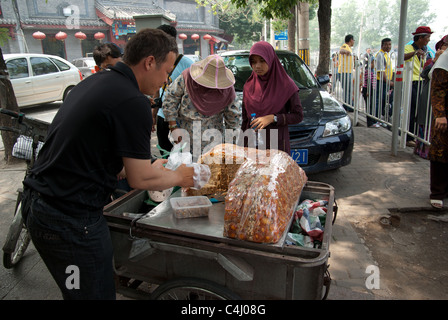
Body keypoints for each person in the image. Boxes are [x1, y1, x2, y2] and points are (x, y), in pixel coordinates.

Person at [22, 29, 195, 300]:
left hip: (42, 206)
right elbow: (139, 180)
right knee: (91, 293)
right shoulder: (133, 101)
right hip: (68, 221)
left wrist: (151, 165)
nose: (166, 79)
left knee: (79, 291)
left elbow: (101, 155)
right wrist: (181, 177)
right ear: (149, 62)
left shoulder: (98, 82)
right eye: (166, 70)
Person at [162, 54, 240, 161]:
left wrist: (230, 146)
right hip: (185, 138)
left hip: (212, 143)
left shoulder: (227, 89)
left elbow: (233, 119)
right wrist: (173, 127)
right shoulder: (187, 78)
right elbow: (170, 98)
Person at [241, 41, 303, 154]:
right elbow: (245, 120)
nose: (257, 66)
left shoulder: (286, 85)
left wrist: (273, 118)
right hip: (253, 146)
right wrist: (242, 145)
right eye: (253, 62)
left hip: (277, 145)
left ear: (270, 59)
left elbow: (298, 116)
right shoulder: (249, 86)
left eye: (262, 60)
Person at [152, 24, 194, 154]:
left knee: (183, 152)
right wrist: (153, 113)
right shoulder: (155, 62)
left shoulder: (188, 64)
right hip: (162, 115)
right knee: (164, 150)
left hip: (181, 118)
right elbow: (156, 87)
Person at [415, 35, 448, 159]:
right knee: (427, 123)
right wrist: (435, 60)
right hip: (431, 99)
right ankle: (423, 149)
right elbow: (428, 75)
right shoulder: (435, 60)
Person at [404, 26, 433, 147]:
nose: (429, 40)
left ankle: (417, 135)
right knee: (411, 109)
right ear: (420, 37)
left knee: (419, 111)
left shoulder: (426, 50)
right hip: (412, 82)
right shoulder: (408, 48)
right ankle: (408, 136)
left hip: (422, 81)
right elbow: (402, 57)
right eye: (427, 37)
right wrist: (415, 53)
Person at [428, 48, 448, 209]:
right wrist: (440, 114)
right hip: (444, 115)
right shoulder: (445, 59)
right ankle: (438, 192)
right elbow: (437, 88)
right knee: (440, 152)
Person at [375, 38, 394, 122]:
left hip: (385, 82)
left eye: (389, 44)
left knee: (383, 100)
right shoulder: (380, 55)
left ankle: (380, 118)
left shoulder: (387, 55)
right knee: (379, 101)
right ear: (382, 45)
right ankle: (376, 119)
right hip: (381, 82)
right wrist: (390, 83)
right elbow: (381, 72)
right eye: (386, 44)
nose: (388, 46)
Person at [338, 34, 356, 109]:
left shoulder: (349, 48)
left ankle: (347, 105)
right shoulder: (345, 46)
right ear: (351, 40)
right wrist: (346, 52)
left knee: (347, 89)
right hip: (344, 72)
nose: (354, 42)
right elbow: (341, 50)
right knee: (347, 89)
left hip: (347, 72)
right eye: (353, 40)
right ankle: (348, 106)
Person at [362, 56, 379, 127]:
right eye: (372, 63)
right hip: (368, 90)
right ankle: (370, 122)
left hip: (372, 90)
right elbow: (368, 81)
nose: (374, 64)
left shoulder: (372, 71)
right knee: (369, 107)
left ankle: (373, 120)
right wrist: (368, 91)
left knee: (372, 106)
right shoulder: (368, 71)